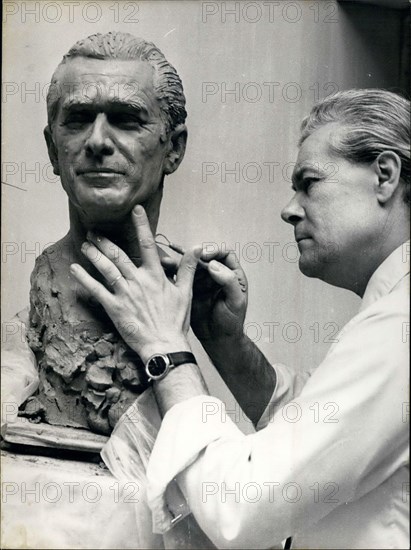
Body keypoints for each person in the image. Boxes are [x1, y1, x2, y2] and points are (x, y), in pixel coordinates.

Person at [71, 89, 410, 548]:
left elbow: (238, 505)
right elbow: (318, 429)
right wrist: (227, 345)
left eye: (308, 182)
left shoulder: (398, 329)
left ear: (385, 176)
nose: (289, 209)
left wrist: (165, 349)